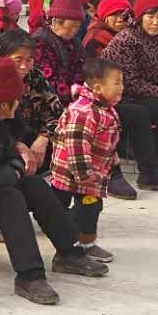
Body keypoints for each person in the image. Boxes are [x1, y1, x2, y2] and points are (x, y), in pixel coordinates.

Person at [0, 56, 105, 306]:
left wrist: (17, 160)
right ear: (2, 103)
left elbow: (2, 157)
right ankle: (29, 275)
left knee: (35, 185)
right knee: (10, 198)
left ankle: (69, 251)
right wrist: (15, 170)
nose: (20, 103)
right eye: (16, 99)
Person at [102, 0, 158, 187]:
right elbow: (129, 82)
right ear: (140, 17)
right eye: (150, 16)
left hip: (147, 94)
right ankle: (153, 167)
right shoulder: (126, 40)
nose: (156, 22)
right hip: (121, 97)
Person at [47, 57, 123, 261]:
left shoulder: (105, 108)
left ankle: (86, 243)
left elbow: (106, 141)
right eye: (117, 83)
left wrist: (112, 161)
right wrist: (85, 176)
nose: (121, 88)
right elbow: (77, 146)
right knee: (66, 208)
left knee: (90, 208)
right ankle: (70, 244)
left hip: (91, 173)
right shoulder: (83, 112)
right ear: (97, 87)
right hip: (72, 173)